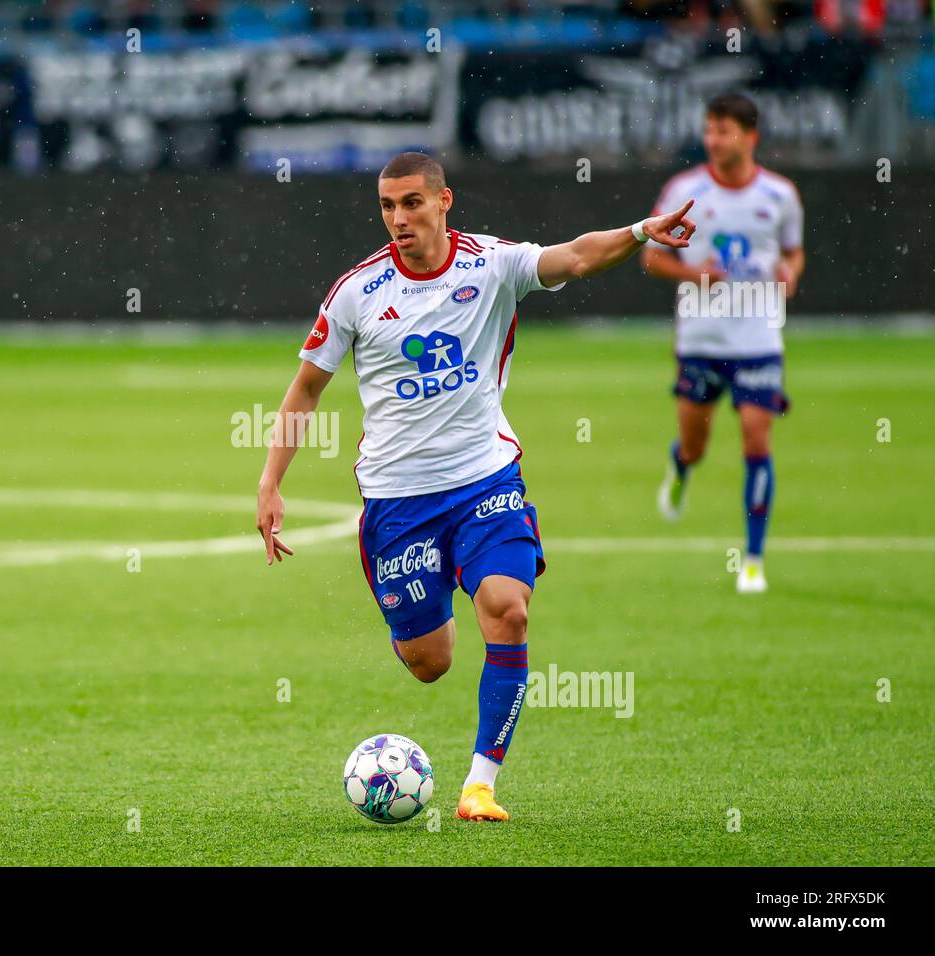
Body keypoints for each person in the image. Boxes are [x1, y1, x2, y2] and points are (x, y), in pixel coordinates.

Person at [257, 151, 696, 821]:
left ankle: (480, 785)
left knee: (507, 607)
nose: (398, 218)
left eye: (411, 203)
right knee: (429, 663)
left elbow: (575, 258)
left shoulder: (491, 264)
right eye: (387, 206)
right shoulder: (357, 292)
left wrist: (639, 232)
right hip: (398, 502)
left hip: (485, 481)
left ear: (444, 201)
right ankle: (428, 608)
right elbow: (306, 388)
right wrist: (270, 482)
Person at [642, 92, 804, 594]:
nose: (713, 139)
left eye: (723, 130)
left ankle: (753, 558)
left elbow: (795, 254)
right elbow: (651, 257)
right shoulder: (683, 190)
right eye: (709, 129)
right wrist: (692, 273)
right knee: (696, 444)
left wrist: (789, 274)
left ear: (750, 137)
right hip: (701, 337)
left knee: (757, 437)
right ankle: (681, 463)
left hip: (759, 337)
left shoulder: (779, 196)